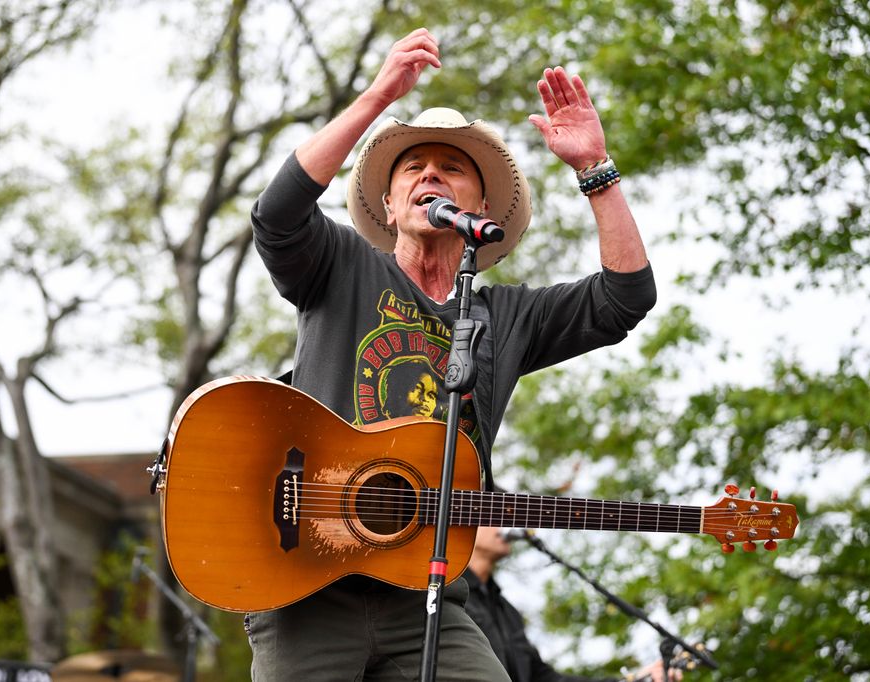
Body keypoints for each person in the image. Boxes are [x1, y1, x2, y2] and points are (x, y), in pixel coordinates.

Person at [247, 27, 656, 681]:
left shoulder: (507, 317)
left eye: (451, 168)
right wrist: (379, 97)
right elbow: (276, 214)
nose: (431, 173)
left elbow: (625, 298)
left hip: (429, 600)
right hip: (305, 586)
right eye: (413, 167)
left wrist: (594, 172)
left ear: (481, 206)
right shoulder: (341, 265)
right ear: (387, 203)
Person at [465, 528, 680, 682]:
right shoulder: (440, 596)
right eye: (493, 515)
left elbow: (542, 677)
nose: (505, 522)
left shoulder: (506, 610)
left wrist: (633, 679)